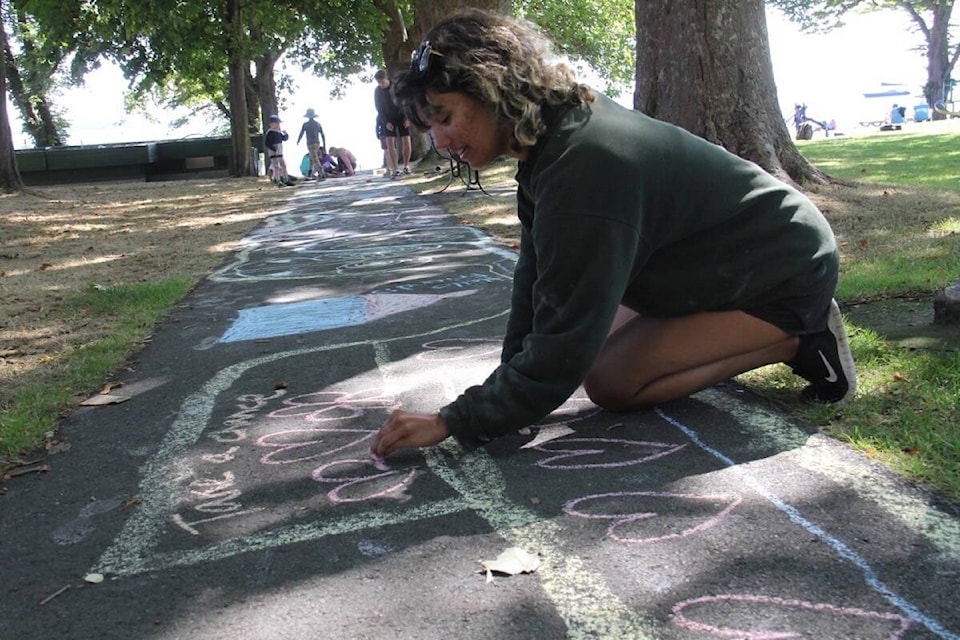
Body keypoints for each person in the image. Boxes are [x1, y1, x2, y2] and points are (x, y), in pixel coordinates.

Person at [370, 9, 858, 459]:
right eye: (430, 127)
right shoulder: (546, 141)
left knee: (609, 381)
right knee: (580, 342)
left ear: (491, 87)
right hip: (706, 265)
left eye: (446, 117)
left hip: (780, 269)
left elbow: (563, 346)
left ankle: (800, 340)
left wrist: (455, 420)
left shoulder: (583, 164)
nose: (441, 141)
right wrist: (505, 398)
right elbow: (538, 280)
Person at [374, 69, 412, 178]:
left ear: (387, 79)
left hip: (402, 116)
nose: (381, 84)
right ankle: (395, 168)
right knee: (390, 143)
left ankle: (406, 165)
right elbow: (378, 108)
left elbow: (406, 102)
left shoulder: (396, 86)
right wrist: (385, 122)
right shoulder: (377, 91)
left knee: (406, 140)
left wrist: (408, 118)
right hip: (388, 119)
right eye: (379, 83)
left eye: (382, 82)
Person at [264, 115, 294, 187]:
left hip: (280, 152)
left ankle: (285, 179)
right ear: (271, 124)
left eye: (278, 123)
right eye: (276, 123)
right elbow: (267, 143)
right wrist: (273, 149)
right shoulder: (270, 133)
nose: (278, 125)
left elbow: (284, 139)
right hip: (274, 152)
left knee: (283, 165)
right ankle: (278, 180)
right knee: (276, 166)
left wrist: (286, 135)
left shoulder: (278, 132)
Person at [297, 107, 327, 180]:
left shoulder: (306, 124)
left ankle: (321, 172)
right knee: (312, 158)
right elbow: (322, 135)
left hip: (310, 143)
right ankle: (310, 173)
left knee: (314, 158)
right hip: (317, 143)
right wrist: (324, 144)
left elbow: (301, 133)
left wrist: (298, 140)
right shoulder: (317, 124)